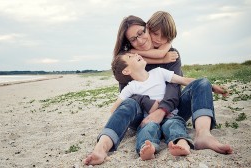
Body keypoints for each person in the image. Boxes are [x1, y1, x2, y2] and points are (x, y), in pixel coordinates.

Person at [83, 12, 232, 166]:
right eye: (133, 39)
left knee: (202, 82)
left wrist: (162, 111)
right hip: (142, 116)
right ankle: (102, 147)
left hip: (171, 111)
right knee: (128, 104)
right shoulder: (128, 60)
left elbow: (174, 87)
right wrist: (149, 103)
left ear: (147, 27)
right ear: (128, 43)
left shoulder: (171, 54)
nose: (140, 40)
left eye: (142, 32)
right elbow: (128, 95)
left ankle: (203, 135)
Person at [110, 51, 198, 160]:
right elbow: (115, 108)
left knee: (174, 124)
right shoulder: (131, 87)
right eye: (130, 56)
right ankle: (148, 149)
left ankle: (182, 143)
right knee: (147, 129)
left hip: (170, 115)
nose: (136, 54)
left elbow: (184, 80)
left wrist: (208, 85)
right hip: (149, 120)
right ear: (126, 70)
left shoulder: (159, 72)